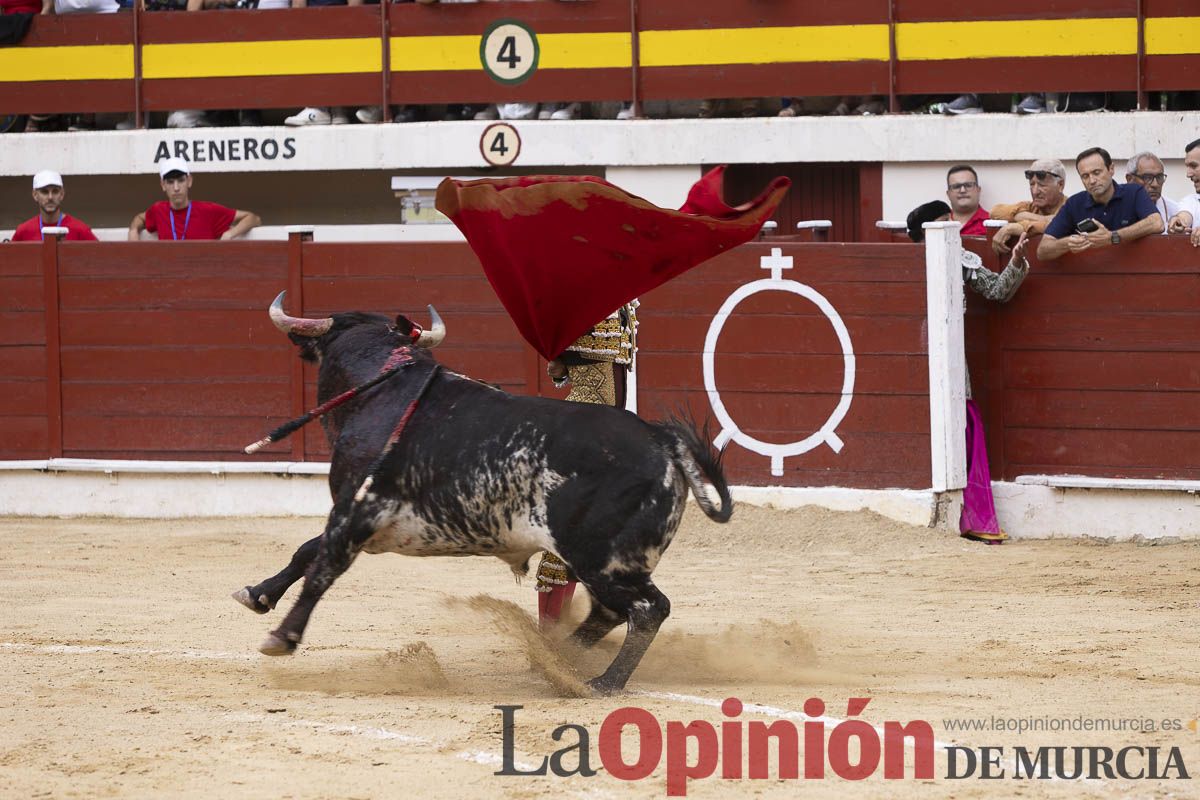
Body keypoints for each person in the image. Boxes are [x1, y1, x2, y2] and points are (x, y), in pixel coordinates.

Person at [907, 200, 1030, 545]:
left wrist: (1017, 261)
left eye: (952, 222)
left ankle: (972, 516)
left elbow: (997, 290)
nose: (953, 229)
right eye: (943, 224)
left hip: (953, 368)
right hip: (917, 363)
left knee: (966, 426)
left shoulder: (959, 260)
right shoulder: (905, 264)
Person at [535, 302, 637, 629]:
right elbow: (561, 364)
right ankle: (549, 637)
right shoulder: (592, 302)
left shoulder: (615, 303)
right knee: (567, 535)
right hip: (585, 438)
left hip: (602, 435)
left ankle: (564, 631)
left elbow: (562, 367)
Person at [1037, 147, 1162, 261]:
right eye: (1085, 176)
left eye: (1097, 173)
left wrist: (1112, 237)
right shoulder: (1074, 203)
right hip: (1090, 279)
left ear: (1111, 169)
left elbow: (1156, 223)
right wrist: (1068, 243)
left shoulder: (1134, 192)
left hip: (1136, 274)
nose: (1092, 181)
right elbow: (1042, 250)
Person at [128, 157, 260, 241]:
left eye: (181, 180)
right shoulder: (158, 210)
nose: (176, 188)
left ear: (189, 181)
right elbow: (139, 219)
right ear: (163, 185)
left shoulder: (208, 210)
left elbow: (253, 218)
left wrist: (230, 234)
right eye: (170, 182)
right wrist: (134, 230)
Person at [988, 158, 1067, 255]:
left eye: (1042, 185)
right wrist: (1042, 218)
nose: (1035, 192)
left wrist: (1016, 227)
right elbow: (995, 211)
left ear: (1060, 185)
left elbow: (1056, 224)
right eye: (1032, 184)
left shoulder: (1071, 207)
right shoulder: (1031, 207)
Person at [11, 170, 98, 241]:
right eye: (44, 192)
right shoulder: (23, 231)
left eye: (55, 191)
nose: (50, 197)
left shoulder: (80, 230)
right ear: (35, 195)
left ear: (62, 194)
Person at [1125, 151, 1177, 232]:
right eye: (1147, 178)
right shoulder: (1116, 208)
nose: (1155, 184)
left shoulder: (1175, 211)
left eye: (1159, 177)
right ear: (1129, 179)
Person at [1166, 137, 1200, 247]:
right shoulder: (1191, 201)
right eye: (1187, 167)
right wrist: (1178, 222)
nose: (1188, 174)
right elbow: (1184, 216)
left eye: (1194, 166)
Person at [946, 164, 989, 235]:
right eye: (956, 186)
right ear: (948, 194)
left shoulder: (992, 225)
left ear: (978, 190)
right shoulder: (937, 224)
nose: (962, 190)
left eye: (968, 185)